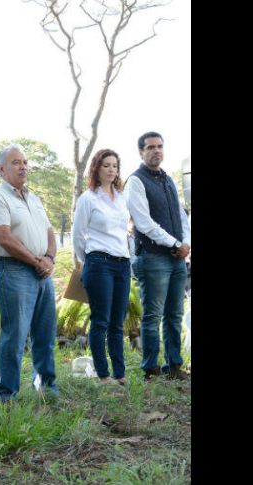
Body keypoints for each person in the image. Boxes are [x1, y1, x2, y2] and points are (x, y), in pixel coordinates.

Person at [0, 144, 58, 401]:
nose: (23, 166)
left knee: (45, 334)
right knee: (14, 336)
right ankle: (6, 395)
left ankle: (47, 388)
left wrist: (48, 258)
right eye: (15, 162)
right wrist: (36, 260)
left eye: (24, 162)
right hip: (14, 271)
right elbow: (4, 237)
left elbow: (49, 232)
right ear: (2, 169)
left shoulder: (34, 198)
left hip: (42, 273)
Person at [124, 131, 190, 381]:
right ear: (141, 151)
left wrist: (185, 243)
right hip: (152, 258)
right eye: (150, 147)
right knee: (153, 315)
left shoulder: (168, 180)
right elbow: (143, 222)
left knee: (174, 315)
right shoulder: (136, 181)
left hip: (176, 259)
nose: (156, 151)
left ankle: (174, 366)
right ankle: (150, 368)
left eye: (160, 146)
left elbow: (181, 216)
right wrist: (174, 242)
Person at [72, 148, 131, 385]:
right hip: (99, 263)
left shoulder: (121, 197)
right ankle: (103, 375)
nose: (111, 170)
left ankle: (120, 374)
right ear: (96, 168)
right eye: (106, 165)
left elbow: (123, 233)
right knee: (101, 320)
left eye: (115, 166)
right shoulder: (88, 198)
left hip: (122, 263)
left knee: (117, 322)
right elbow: (78, 235)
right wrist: (88, 263)